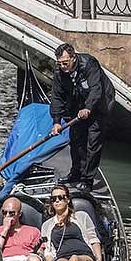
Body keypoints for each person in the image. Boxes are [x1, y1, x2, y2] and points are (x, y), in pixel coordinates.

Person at [50, 43, 114, 190]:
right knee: (76, 139)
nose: (63, 66)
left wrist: (88, 108)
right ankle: (76, 172)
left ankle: (87, 179)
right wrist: (56, 121)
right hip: (78, 104)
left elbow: (96, 89)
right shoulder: (59, 73)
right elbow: (56, 97)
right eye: (59, 63)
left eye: (65, 63)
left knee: (93, 143)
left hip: (100, 104)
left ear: (73, 58)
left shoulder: (89, 64)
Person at [40, 183, 103, 261]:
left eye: (61, 197)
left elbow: (93, 239)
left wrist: (98, 257)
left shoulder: (81, 216)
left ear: (68, 200)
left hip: (85, 256)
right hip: (62, 257)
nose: (57, 201)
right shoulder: (47, 225)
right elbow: (47, 250)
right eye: (53, 199)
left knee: (74, 258)